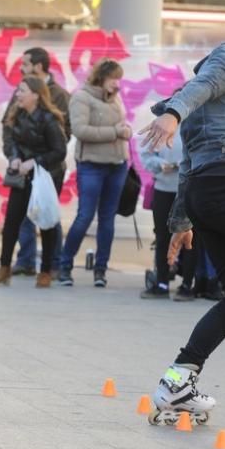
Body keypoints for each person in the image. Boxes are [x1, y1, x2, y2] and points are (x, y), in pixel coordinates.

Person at [138, 28, 225, 425]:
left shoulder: (219, 101)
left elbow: (189, 163)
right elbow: (208, 80)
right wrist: (171, 112)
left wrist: (182, 219)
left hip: (207, 194)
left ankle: (178, 380)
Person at [57, 59, 132, 288]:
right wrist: (115, 132)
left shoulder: (115, 99)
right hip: (91, 165)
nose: (117, 84)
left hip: (117, 164)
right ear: (101, 77)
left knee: (108, 219)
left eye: (119, 79)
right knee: (85, 216)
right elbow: (80, 130)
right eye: (113, 79)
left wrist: (126, 131)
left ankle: (101, 269)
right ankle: (65, 265)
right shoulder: (82, 97)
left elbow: (121, 126)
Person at [0, 76, 67, 288]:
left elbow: (60, 151)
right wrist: (14, 157)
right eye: (18, 90)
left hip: (46, 178)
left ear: (36, 94)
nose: (18, 94)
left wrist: (35, 162)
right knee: (12, 222)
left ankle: (45, 272)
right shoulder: (17, 114)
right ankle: (4, 268)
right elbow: (11, 140)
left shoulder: (50, 119)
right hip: (22, 177)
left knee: (46, 224)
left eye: (22, 90)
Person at [10, 47, 71, 275]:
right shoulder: (20, 91)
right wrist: (14, 156)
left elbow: (66, 132)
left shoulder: (61, 95)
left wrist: (42, 157)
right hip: (23, 168)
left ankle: (53, 263)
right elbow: (8, 125)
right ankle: (25, 261)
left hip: (50, 169)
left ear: (38, 66)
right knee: (23, 214)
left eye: (24, 64)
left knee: (47, 214)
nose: (21, 68)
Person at [139, 118, 197, 300]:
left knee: (190, 238)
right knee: (162, 236)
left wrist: (184, 165)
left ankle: (187, 284)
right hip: (164, 189)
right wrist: (160, 164)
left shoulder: (198, 125)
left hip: (189, 190)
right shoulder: (161, 126)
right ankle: (162, 282)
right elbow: (146, 155)